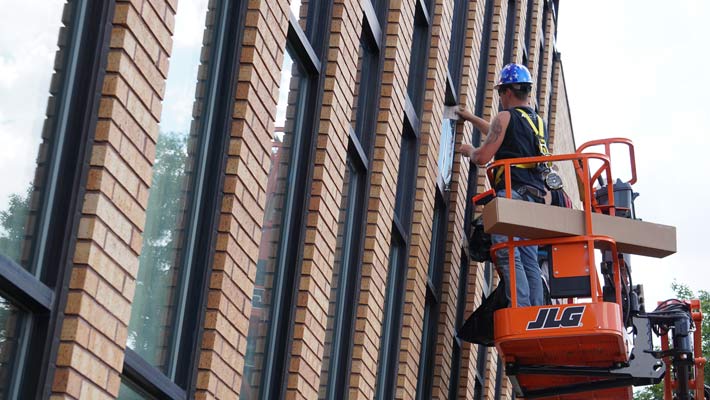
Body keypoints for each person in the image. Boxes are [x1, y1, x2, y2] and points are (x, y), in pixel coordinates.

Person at [457, 63, 547, 307]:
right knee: (528, 257)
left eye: (500, 92)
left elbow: (483, 157)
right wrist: (472, 119)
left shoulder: (505, 117)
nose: (499, 98)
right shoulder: (537, 122)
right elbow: (499, 133)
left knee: (506, 251)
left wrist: (469, 151)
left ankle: (519, 308)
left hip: (512, 194)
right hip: (534, 200)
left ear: (507, 92)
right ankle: (534, 311)